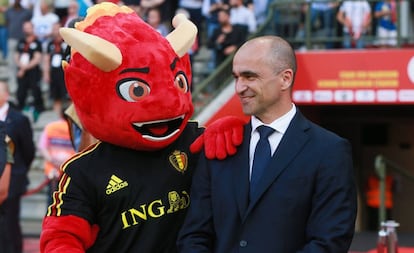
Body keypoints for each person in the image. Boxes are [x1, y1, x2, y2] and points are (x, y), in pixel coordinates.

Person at [178, 36, 357, 253]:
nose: (239, 87)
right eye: (236, 77)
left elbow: (330, 242)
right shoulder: (220, 146)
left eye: (250, 77)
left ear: (285, 78)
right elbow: (193, 235)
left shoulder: (330, 151)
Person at [0, 80, 35, 253]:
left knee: (10, 222)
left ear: (6, 95)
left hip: (13, 178)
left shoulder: (19, 119)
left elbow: (28, 151)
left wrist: (18, 172)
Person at [37, 108, 75, 207]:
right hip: (70, 170)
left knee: (51, 201)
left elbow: (42, 146)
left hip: (52, 170)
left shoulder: (51, 127)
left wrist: (52, 160)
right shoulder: (75, 128)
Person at [15, 21, 45, 121]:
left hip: (33, 72)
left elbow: (37, 58)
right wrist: (20, 66)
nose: (26, 29)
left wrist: (24, 68)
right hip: (22, 72)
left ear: (32, 28)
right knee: (20, 92)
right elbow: (16, 56)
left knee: (36, 91)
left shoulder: (37, 42)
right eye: (25, 27)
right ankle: (19, 112)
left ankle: (39, 111)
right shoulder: (21, 41)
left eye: (28, 27)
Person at [43, 22, 69, 114]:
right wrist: (46, 73)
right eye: (53, 29)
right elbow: (46, 59)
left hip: (65, 72)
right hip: (54, 72)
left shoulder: (66, 42)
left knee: (68, 96)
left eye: (57, 29)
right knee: (56, 97)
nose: (55, 32)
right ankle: (57, 117)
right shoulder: (50, 44)